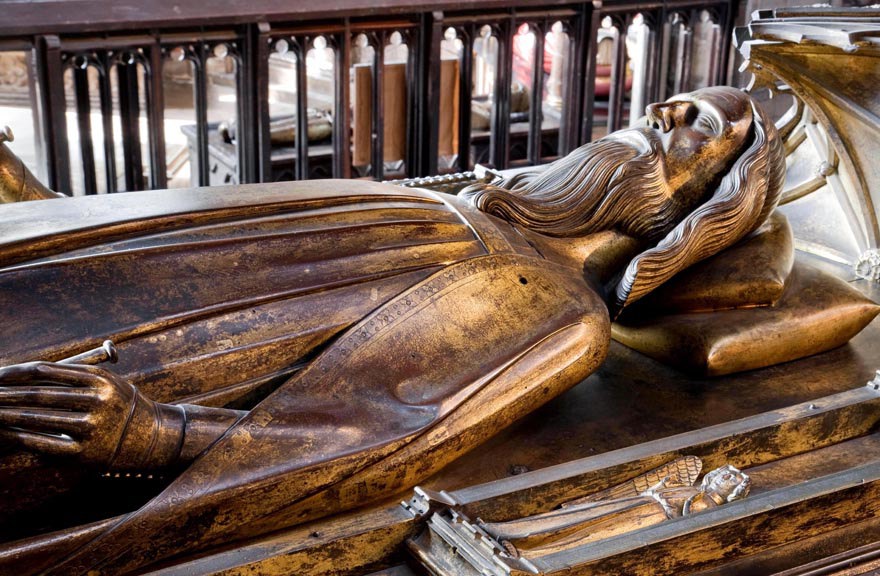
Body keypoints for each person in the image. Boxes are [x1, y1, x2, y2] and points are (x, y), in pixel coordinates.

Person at [0, 86, 783, 574]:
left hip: (81, 382)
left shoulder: (557, 309)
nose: (665, 111)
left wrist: (149, 434)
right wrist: (32, 204)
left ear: (698, 211)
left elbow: (368, 441)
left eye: (699, 125)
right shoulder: (469, 202)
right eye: (679, 101)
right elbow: (177, 235)